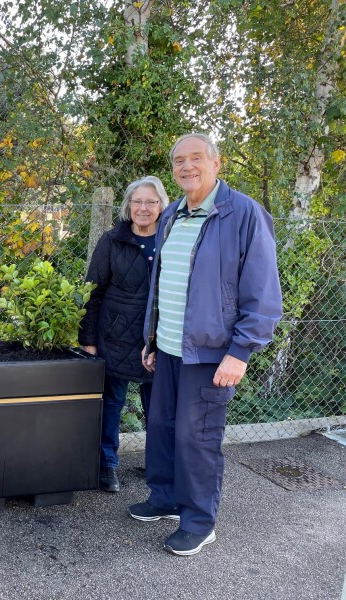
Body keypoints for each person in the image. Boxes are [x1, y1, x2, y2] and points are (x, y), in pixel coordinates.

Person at [129, 133, 282, 556]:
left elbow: (264, 293)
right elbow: (164, 284)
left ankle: (199, 521)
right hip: (171, 347)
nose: (186, 167)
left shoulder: (244, 214)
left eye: (196, 158)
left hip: (211, 353)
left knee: (197, 439)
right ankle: (164, 498)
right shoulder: (173, 214)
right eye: (179, 160)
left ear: (217, 163)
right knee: (162, 430)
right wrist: (153, 337)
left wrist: (240, 352)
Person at [80, 176, 169, 493]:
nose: (143, 208)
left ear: (162, 206)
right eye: (137, 201)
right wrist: (88, 342)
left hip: (158, 341)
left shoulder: (172, 240)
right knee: (111, 405)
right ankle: (107, 466)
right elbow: (92, 293)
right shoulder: (111, 240)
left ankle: (160, 471)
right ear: (128, 206)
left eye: (151, 201)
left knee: (159, 412)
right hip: (114, 337)